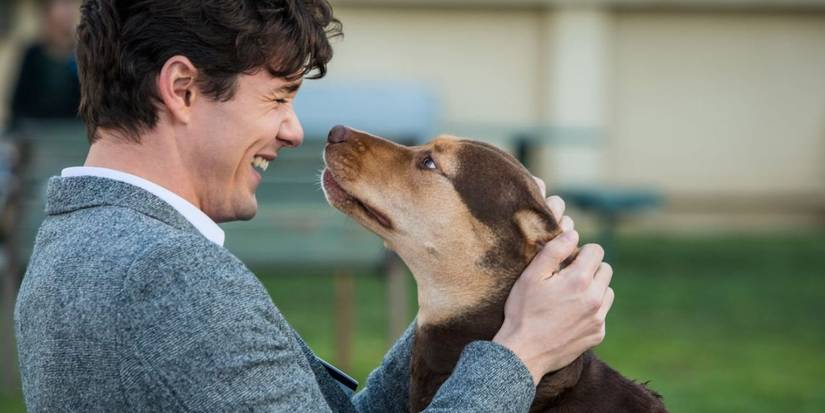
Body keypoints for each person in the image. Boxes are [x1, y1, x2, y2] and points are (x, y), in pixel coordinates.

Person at [14, 1, 615, 411]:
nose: (293, 130)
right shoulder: (166, 276)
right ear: (182, 89)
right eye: (277, 97)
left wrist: (473, 286)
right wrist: (521, 356)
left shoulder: (78, 242)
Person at [8, 0, 82, 129]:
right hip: (39, 134)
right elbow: (19, 104)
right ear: (47, 12)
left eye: (70, 4)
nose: (68, 11)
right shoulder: (33, 54)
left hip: (75, 135)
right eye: (63, 5)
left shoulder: (83, 53)